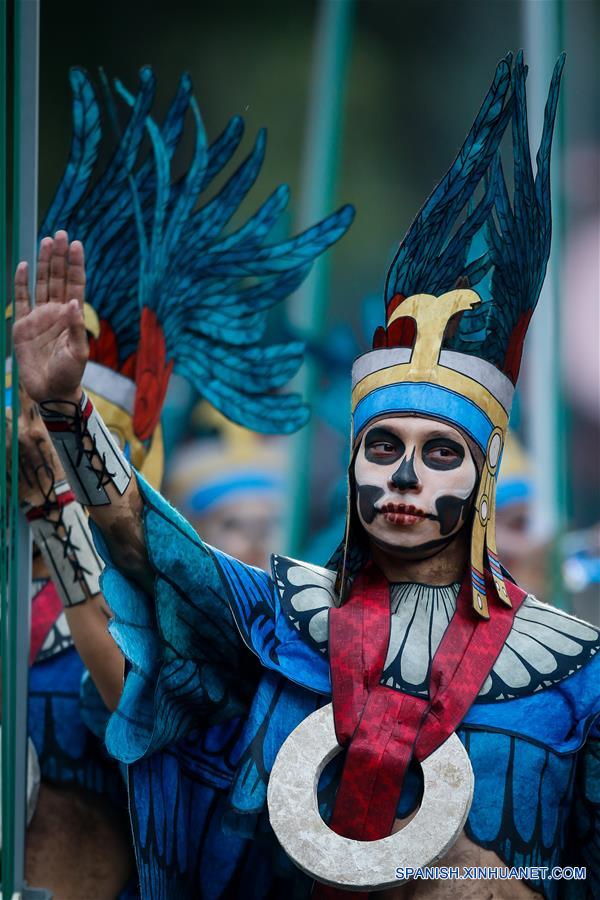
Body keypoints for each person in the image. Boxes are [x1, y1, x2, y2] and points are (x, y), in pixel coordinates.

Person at [12, 52, 599, 900]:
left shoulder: (576, 670)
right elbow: (148, 545)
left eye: (440, 454)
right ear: (353, 464)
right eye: (382, 447)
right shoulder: (277, 621)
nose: (403, 474)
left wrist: (486, 881)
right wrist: (66, 415)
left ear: (482, 478)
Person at [6, 65, 352, 898]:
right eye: (30, 425)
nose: (37, 446)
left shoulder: (175, 610)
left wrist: (58, 507)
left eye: (69, 433)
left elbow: (137, 697)